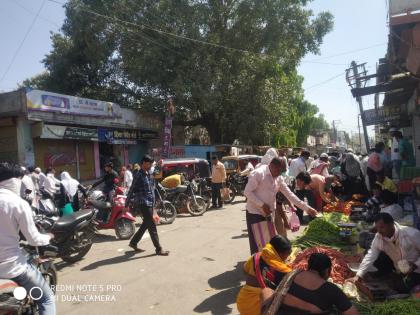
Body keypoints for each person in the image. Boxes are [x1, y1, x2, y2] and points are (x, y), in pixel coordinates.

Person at [0, 162, 56, 315]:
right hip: (12, 268)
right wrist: (48, 237)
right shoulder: (17, 203)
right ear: (16, 180)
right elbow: (33, 239)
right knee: (47, 299)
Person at [244, 157, 317, 254]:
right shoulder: (258, 173)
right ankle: (255, 264)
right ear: (272, 166)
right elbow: (247, 192)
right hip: (255, 212)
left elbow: (290, 195)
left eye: (282, 171)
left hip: (269, 213)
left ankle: (265, 263)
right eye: (279, 170)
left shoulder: (279, 178)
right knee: (256, 243)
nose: (280, 173)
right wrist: (262, 205)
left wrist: (307, 209)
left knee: (267, 241)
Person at [262, 253, 359, 315]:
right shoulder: (331, 289)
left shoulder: (290, 276)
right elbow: (353, 313)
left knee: (266, 291)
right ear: (327, 271)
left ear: (309, 266)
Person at [350, 213, 420, 293]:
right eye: (377, 228)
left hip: (417, 270)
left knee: (402, 288)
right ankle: (391, 275)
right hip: (400, 268)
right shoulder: (379, 237)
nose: (379, 231)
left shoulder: (411, 234)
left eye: (382, 227)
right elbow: (371, 255)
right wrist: (359, 275)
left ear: (391, 224)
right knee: (373, 255)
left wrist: (416, 264)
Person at [236, 236, 292, 315]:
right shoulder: (280, 268)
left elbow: (245, 271)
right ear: (279, 253)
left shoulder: (256, 256)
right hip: (255, 306)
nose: (288, 256)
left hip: (242, 300)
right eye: (288, 253)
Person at [126, 155, 169, 256]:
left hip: (150, 202)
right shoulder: (138, 175)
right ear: (144, 163)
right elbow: (131, 189)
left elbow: (155, 179)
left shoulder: (149, 174)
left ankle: (133, 242)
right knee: (152, 225)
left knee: (146, 223)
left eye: (151, 164)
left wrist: (159, 166)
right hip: (143, 203)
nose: (150, 166)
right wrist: (126, 205)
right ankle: (158, 249)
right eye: (149, 163)